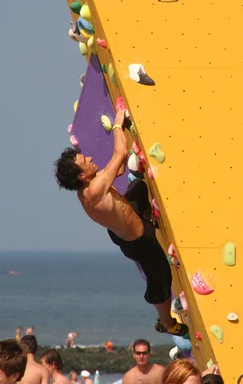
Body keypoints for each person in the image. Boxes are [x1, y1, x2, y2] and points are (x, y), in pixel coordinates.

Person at [54, 109, 188, 337]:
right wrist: (118, 124)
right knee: (161, 278)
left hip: (125, 225)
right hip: (138, 241)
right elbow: (121, 152)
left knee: (139, 188)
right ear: (81, 176)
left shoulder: (89, 186)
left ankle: (147, 219)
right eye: (83, 161)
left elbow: (121, 167)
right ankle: (165, 321)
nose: (88, 157)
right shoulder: (94, 190)